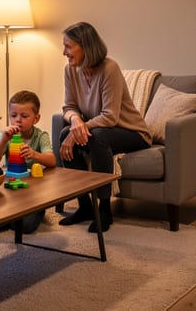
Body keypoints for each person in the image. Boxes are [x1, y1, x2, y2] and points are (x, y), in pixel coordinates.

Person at [58, 21, 151, 233]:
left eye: (69, 46)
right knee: (65, 132)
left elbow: (110, 117)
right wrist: (75, 122)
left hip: (131, 132)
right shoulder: (70, 70)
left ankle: (105, 208)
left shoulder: (110, 68)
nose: (64, 52)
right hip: (97, 130)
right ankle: (85, 207)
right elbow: (69, 106)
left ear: (86, 47)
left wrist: (78, 131)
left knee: (96, 137)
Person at [0, 90, 55, 233]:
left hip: (33, 192)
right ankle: (11, 216)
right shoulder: (7, 135)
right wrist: (4, 140)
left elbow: (52, 160)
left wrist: (34, 154)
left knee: (25, 227)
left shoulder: (41, 136)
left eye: (24, 116)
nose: (18, 120)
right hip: (11, 189)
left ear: (36, 118)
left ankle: (30, 212)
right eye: (13, 115)